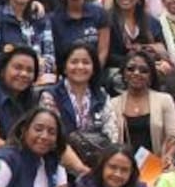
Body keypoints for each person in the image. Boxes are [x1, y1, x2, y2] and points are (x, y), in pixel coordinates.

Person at [39, 43, 119, 176]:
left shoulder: (102, 95)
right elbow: (55, 140)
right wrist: (82, 170)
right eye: (74, 62)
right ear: (64, 67)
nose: (80, 67)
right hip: (59, 168)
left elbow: (112, 135)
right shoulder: (50, 96)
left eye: (86, 62)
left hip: (98, 168)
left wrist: (102, 170)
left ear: (93, 68)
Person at [113, 51, 175, 162]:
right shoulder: (113, 104)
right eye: (131, 69)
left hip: (157, 168)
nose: (136, 73)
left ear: (151, 76)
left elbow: (173, 137)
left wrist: (167, 158)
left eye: (143, 70)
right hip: (124, 170)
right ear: (123, 73)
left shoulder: (165, 100)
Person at [106, 0, 169, 77]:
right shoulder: (106, 20)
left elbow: (161, 50)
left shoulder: (152, 22)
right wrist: (138, 64)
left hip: (148, 73)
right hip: (117, 72)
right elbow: (108, 56)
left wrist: (162, 63)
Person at [49, 0, 109, 69]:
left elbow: (103, 52)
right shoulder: (52, 20)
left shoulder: (100, 14)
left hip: (95, 76)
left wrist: (92, 73)